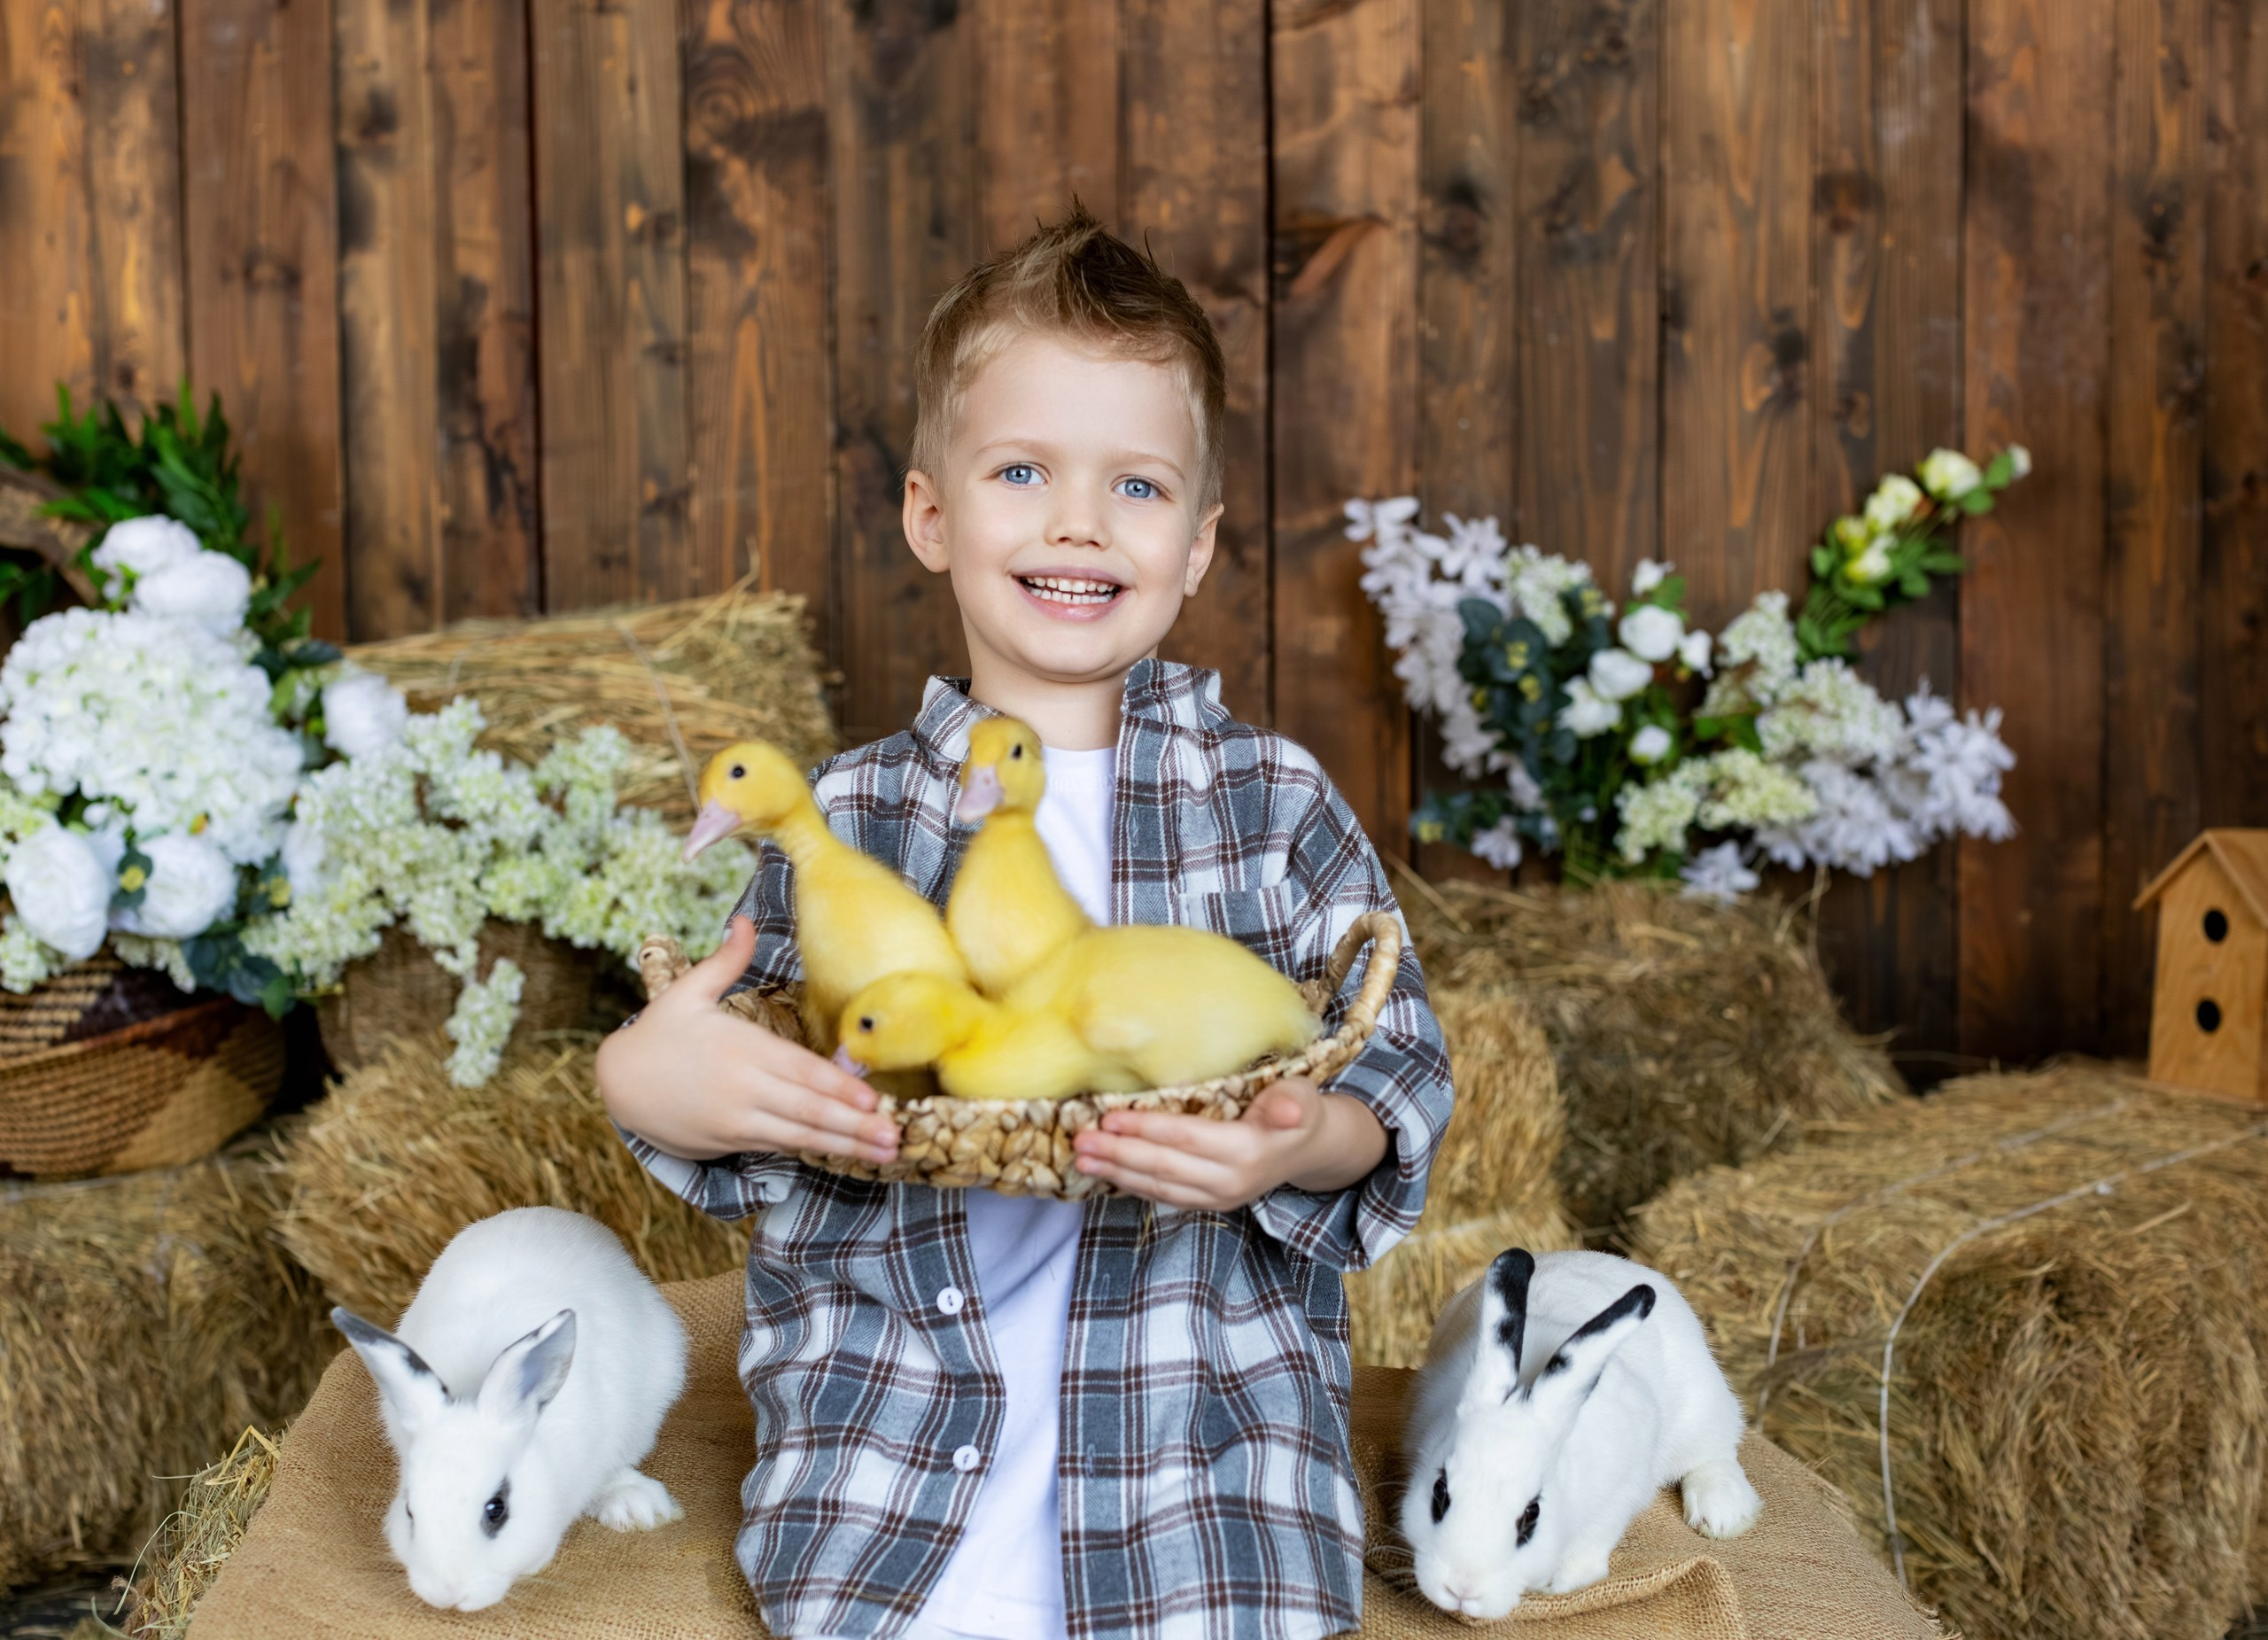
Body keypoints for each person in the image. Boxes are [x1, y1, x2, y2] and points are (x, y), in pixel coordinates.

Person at [598, 206, 1454, 1640]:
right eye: (1022, 471)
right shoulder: (853, 816)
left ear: (1196, 545)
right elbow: (760, 1074)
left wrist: (1303, 1140)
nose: (1077, 522)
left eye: (1136, 486)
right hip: (889, 1467)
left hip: (1204, 1466)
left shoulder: (1269, 799)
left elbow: (1398, 1059)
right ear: (932, 515)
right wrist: (652, 1082)